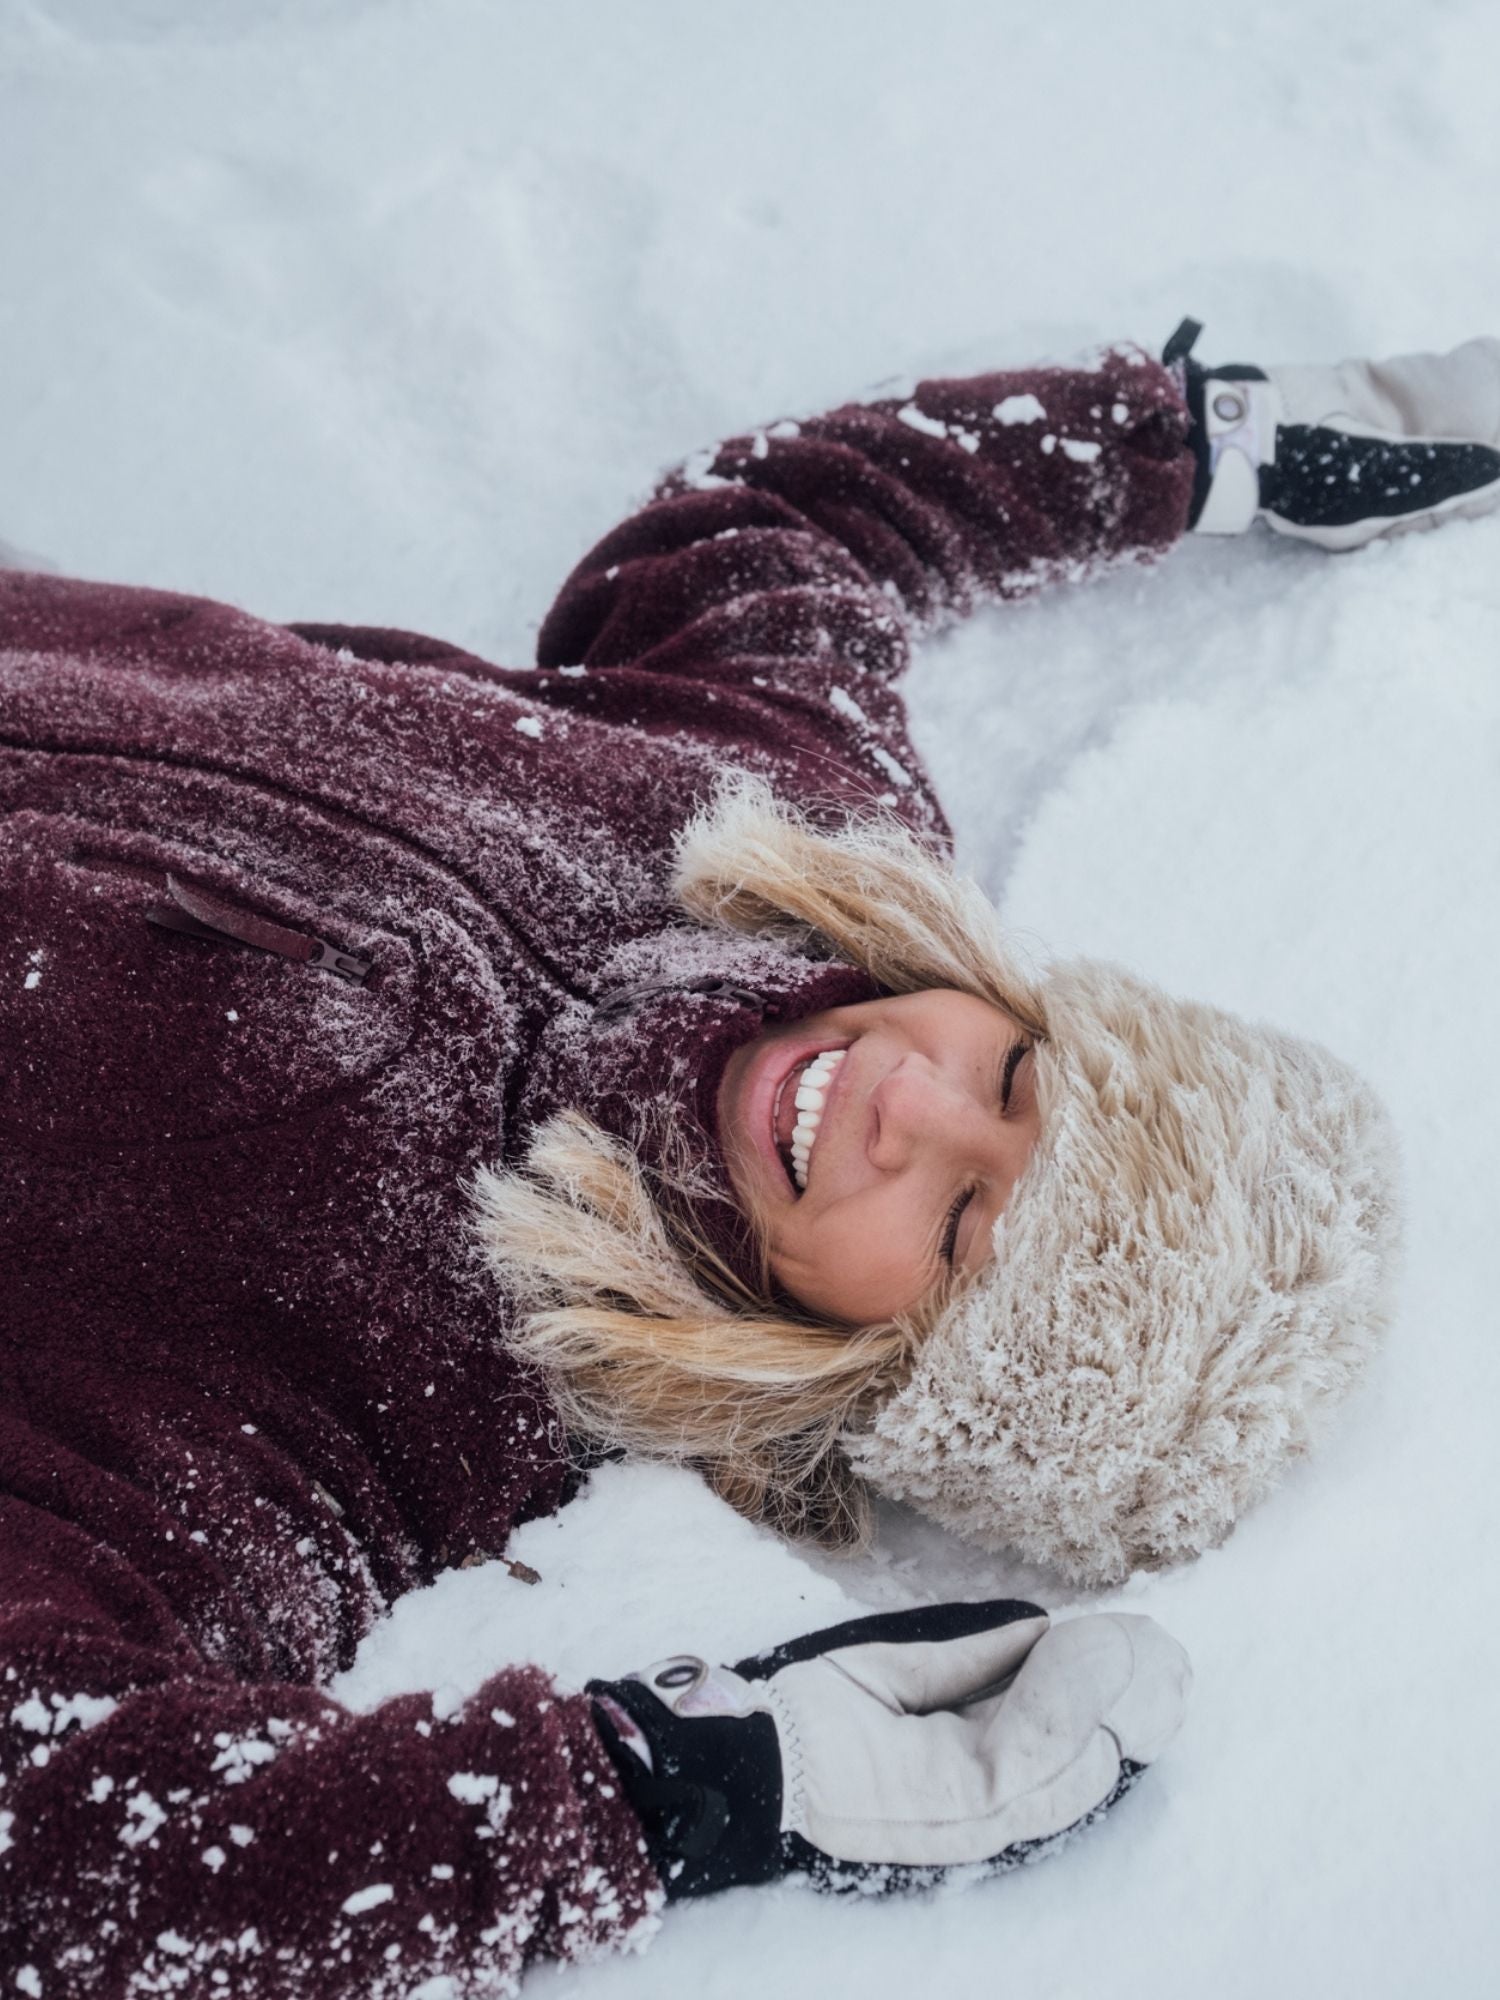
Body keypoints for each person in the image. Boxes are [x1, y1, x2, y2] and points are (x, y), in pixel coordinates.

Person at [1, 320, 1494, 1995]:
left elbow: (51, 1832)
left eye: (960, 1224)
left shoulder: (395, 1422)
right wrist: (1193, 445)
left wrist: (677, 1792)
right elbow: (792, 530)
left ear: (879, 1374)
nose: (905, 1107)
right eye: (1010, 1068)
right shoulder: (776, 814)